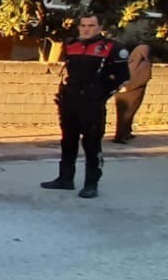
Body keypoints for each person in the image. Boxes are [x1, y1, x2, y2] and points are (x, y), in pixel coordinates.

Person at [42, 13, 129, 199]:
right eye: (83, 25)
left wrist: (101, 95)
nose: (86, 29)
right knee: (68, 141)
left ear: (99, 28)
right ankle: (65, 179)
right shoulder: (71, 45)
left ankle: (91, 184)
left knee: (91, 144)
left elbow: (123, 77)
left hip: (92, 103)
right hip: (70, 101)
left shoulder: (112, 48)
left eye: (91, 25)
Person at [113, 41, 153, 144]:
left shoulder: (131, 62)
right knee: (125, 114)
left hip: (125, 92)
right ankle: (120, 136)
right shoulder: (142, 64)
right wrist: (127, 86)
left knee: (126, 114)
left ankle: (126, 132)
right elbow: (144, 77)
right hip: (131, 92)